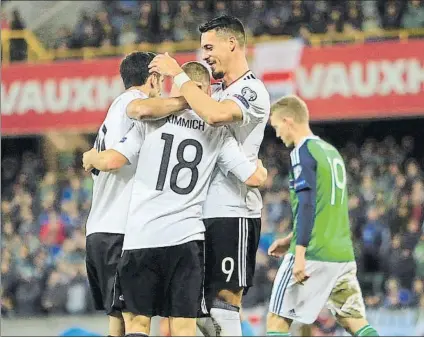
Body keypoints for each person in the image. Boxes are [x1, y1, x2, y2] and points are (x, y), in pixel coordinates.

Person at [82, 61, 268, 337]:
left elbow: (114, 159)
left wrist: (90, 157)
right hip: (186, 240)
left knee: (137, 324)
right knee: (183, 326)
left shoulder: (151, 121)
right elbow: (253, 177)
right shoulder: (217, 131)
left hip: (141, 237)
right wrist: (261, 169)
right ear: (206, 90)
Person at [148, 15, 271, 336]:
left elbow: (216, 116)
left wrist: (178, 75)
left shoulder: (252, 90)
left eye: (209, 46)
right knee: (191, 307)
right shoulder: (213, 90)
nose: (205, 55)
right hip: (195, 212)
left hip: (233, 210)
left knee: (223, 304)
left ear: (232, 43)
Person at [84, 51, 191, 337]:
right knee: (136, 321)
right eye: (162, 79)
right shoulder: (130, 104)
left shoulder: (114, 111)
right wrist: (189, 100)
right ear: (153, 77)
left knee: (118, 322)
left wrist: (91, 157)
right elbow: (117, 156)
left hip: (101, 229)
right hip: (119, 231)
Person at [266, 95, 379, 337]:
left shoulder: (301, 152)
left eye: (276, 127)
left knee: (277, 321)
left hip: (314, 253)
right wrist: (289, 238)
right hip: (342, 255)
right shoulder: (331, 152)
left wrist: (299, 253)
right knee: (356, 323)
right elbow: (325, 206)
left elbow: (306, 205)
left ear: (288, 121)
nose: (276, 135)